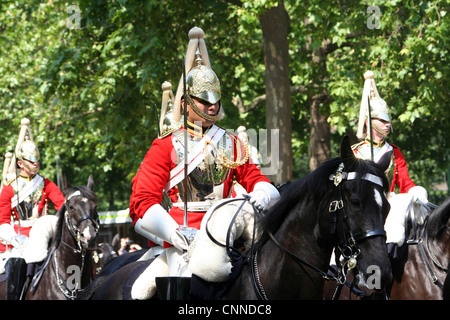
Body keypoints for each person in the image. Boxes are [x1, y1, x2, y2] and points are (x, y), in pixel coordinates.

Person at [128, 27, 279, 300]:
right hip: (183, 238)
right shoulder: (165, 145)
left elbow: (256, 178)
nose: (211, 106)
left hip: (231, 232)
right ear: (186, 103)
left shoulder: (231, 142)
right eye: (203, 100)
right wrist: (175, 233)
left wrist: (260, 192)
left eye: (214, 100)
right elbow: (142, 201)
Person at [353, 70, 428, 256]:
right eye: (382, 120)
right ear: (370, 121)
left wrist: (415, 192)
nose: (387, 124)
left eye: (388, 120)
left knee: (398, 211)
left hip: (388, 203)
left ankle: (389, 255)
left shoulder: (394, 152)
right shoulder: (355, 151)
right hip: (362, 204)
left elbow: (405, 183)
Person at [0, 118, 65, 299]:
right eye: (32, 160)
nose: (36, 163)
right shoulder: (9, 188)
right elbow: (2, 222)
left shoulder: (46, 184)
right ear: (21, 163)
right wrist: (16, 238)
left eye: (37, 160)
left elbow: (63, 206)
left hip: (44, 233)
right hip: (18, 238)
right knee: (17, 263)